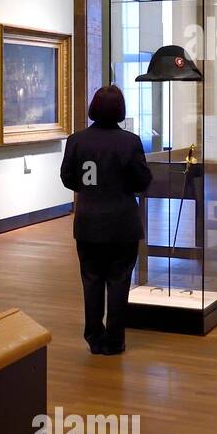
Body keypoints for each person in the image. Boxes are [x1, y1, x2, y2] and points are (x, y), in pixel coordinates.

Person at [60, 85, 152, 356]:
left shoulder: (76, 140)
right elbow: (142, 180)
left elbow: (67, 178)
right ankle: (115, 339)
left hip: (88, 221)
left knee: (91, 280)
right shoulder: (130, 141)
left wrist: (90, 190)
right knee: (119, 280)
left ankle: (94, 335)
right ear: (120, 110)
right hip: (122, 223)